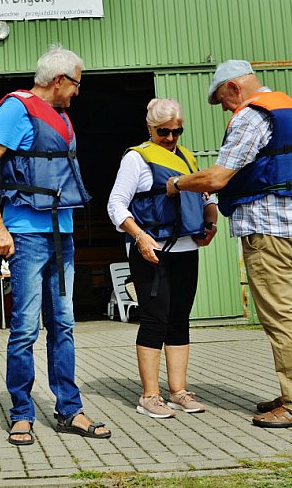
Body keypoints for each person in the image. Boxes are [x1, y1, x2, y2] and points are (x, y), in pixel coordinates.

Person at [165, 60, 292, 428]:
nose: (224, 109)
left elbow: (218, 178)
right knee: (291, 316)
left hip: (271, 234)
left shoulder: (252, 117)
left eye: (222, 100)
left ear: (234, 88)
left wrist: (177, 184)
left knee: (281, 321)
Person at [0, 45, 111, 445]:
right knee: (25, 327)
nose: (78, 93)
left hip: (61, 232)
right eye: (77, 84)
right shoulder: (16, 109)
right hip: (26, 234)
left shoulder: (62, 117)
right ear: (60, 80)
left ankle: (69, 409)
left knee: (63, 324)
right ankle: (21, 412)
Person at [107, 98, 218, 419]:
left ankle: (179, 391)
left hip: (186, 249)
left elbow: (208, 197)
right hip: (151, 250)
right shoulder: (136, 159)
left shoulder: (187, 158)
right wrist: (139, 237)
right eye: (163, 132)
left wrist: (210, 224)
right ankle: (149, 396)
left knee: (180, 319)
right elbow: (116, 205)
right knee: (155, 320)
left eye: (176, 131)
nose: (170, 138)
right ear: (150, 128)